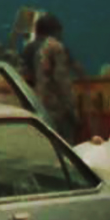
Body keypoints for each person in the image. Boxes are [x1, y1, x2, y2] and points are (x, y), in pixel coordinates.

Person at [31, 13, 81, 141]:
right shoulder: (56, 47)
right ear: (56, 30)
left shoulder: (40, 49)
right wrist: (72, 109)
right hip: (59, 109)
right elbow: (62, 81)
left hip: (43, 106)